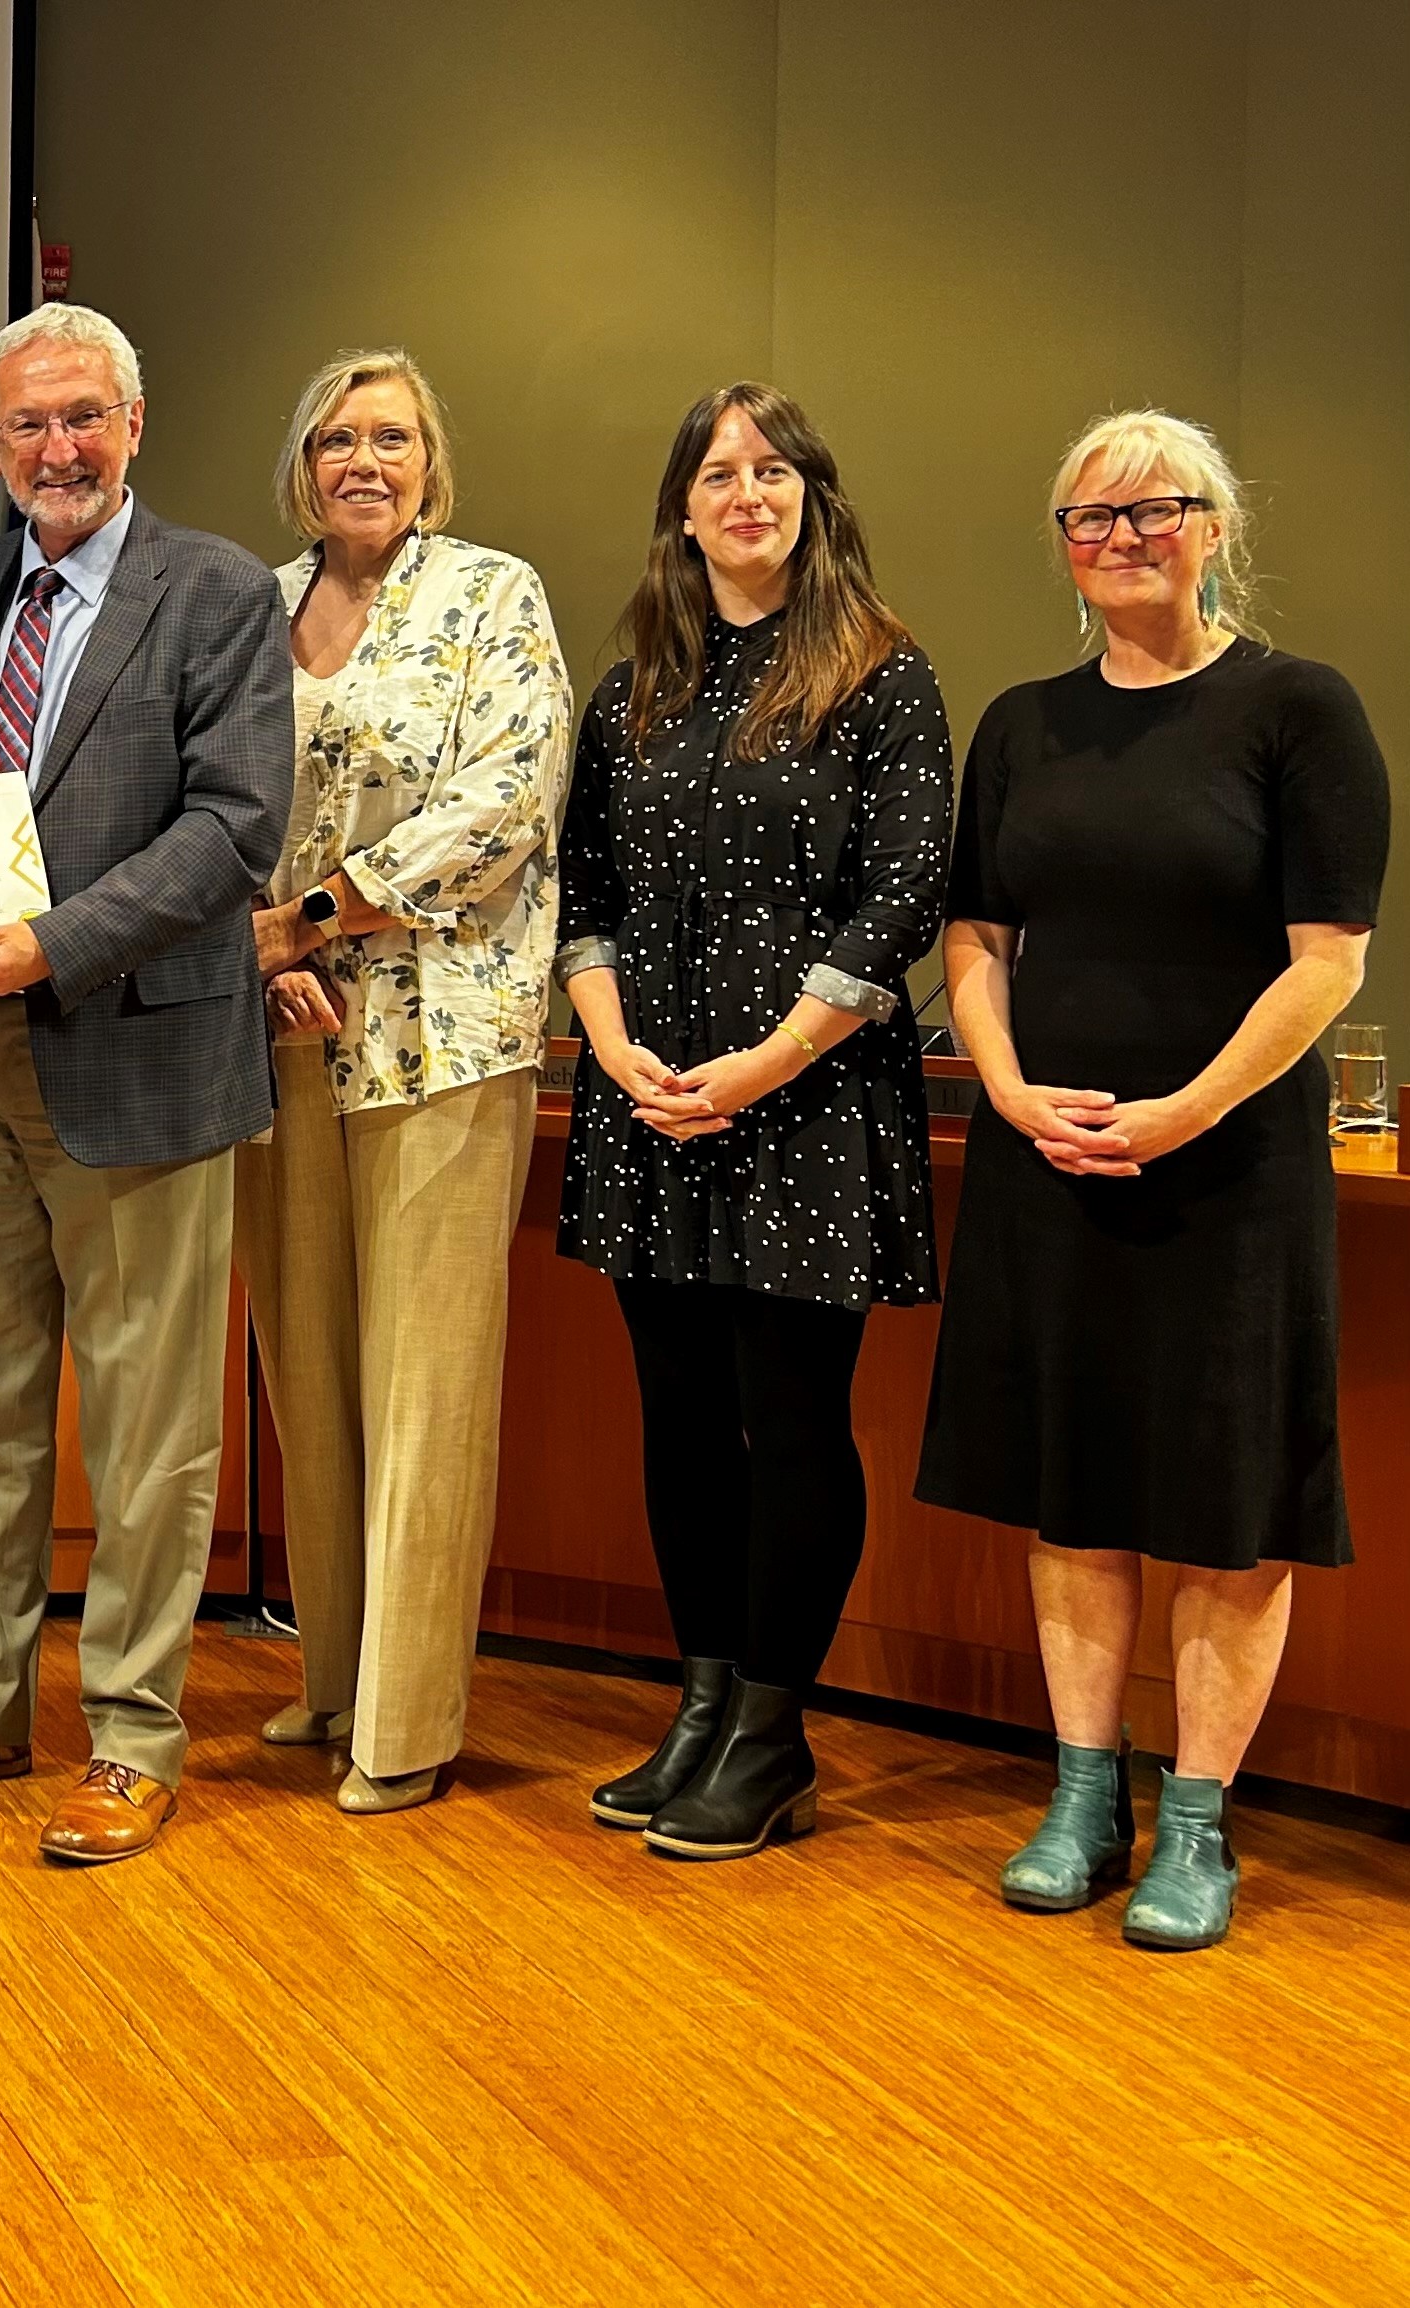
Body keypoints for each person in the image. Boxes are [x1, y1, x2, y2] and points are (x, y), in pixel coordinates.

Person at [917, 411, 1387, 1950]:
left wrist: (1182, 1110)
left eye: (1152, 510)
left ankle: (1197, 1824)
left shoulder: (1295, 710)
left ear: (1212, 527)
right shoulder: (1019, 724)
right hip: (1047, 1158)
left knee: (1220, 1508)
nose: (1118, 537)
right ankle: (1080, 1794)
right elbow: (973, 941)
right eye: (1086, 516)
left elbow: (1329, 965)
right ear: (1058, 545)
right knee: (1074, 1491)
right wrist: (1000, 1086)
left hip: (1227, 1170)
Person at [0, 305, 290, 1865]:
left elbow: (235, 830)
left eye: (84, 416)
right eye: (26, 425)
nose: (59, 449)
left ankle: (136, 1732)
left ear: (135, 423)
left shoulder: (216, 590)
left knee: (152, 1421)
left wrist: (57, 941)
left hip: (142, 1050)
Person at [556, 383, 952, 1860]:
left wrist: (760, 1064)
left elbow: (904, 892)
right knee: (677, 1427)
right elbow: (578, 889)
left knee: (786, 1426)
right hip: (649, 1105)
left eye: (771, 470)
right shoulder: (637, 687)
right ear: (680, 507)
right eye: (717, 472)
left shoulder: (879, 673)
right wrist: (618, 1053)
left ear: (811, 498)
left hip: (807, 1107)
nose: (744, 492)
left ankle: (774, 1733)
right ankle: (702, 1702)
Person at [236, 350, 573, 1815]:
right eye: (333, 437)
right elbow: (213, 796)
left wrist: (319, 913)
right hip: (275, 1027)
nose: (360, 460)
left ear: (429, 463)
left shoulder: (492, 596)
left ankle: (408, 1719)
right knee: (304, 1365)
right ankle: (331, 1679)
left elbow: (506, 797)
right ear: (299, 464)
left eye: (390, 437)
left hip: (440, 1030)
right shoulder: (247, 606)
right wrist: (260, 954)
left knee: (422, 1385)